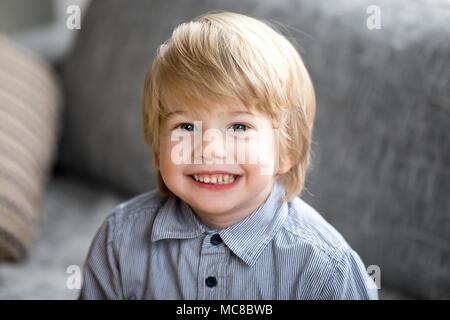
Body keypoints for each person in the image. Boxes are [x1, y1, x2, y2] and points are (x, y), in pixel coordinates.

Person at [78, 11, 378, 300]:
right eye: (185, 126)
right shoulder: (119, 240)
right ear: (157, 149)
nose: (210, 149)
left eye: (238, 126)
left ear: (288, 150)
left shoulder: (326, 268)